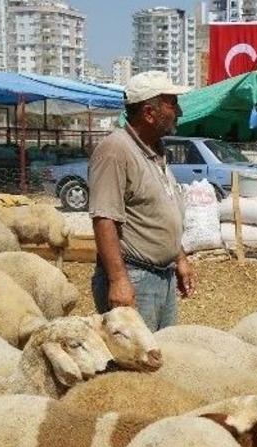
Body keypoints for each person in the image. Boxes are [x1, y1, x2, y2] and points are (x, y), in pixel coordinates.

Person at [88, 71, 196, 331]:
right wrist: (118, 280)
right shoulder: (115, 151)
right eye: (172, 104)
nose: (179, 111)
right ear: (149, 113)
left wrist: (179, 257)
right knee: (138, 365)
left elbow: (160, 209)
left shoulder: (155, 150)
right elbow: (104, 218)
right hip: (134, 276)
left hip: (162, 276)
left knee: (162, 357)